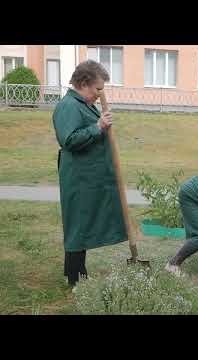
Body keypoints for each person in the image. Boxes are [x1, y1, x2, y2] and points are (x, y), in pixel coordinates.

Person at [53, 60, 127, 287]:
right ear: (84, 83)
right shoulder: (69, 106)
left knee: (81, 226)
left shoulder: (82, 104)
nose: (99, 94)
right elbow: (69, 139)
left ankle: (77, 273)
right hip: (78, 179)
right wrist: (98, 127)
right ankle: (75, 280)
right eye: (97, 89)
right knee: (77, 227)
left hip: (87, 178)